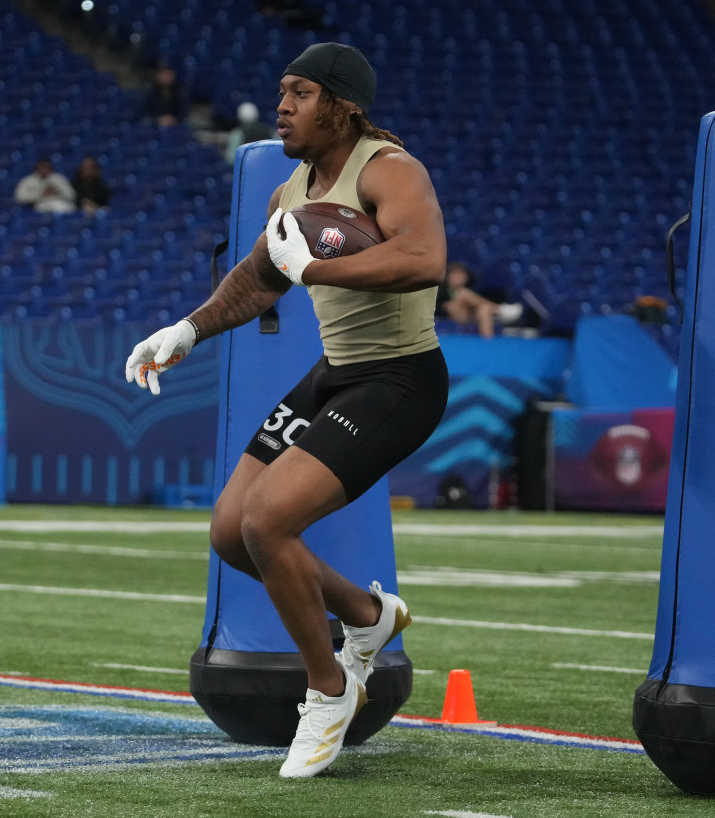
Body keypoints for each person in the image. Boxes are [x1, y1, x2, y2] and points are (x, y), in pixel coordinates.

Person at [125, 42, 448, 778]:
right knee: (231, 532)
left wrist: (320, 269)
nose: (283, 106)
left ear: (342, 106)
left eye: (300, 93)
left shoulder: (391, 169)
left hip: (400, 380)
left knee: (268, 519)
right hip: (335, 375)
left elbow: (424, 259)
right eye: (282, 92)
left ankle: (331, 690)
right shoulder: (288, 193)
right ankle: (369, 618)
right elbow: (260, 279)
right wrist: (187, 330)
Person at [435, 260, 522, 338]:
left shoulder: (472, 289)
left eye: (462, 274)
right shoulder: (441, 289)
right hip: (448, 317)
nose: (459, 277)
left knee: (484, 309)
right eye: (455, 273)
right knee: (462, 295)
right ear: (447, 276)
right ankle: (500, 309)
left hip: (468, 316)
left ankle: (488, 344)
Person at [142, 63, 187, 128]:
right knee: (146, 122)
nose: (166, 78)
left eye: (169, 75)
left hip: (174, 120)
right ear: (158, 76)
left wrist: (173, 119)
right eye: (164, 75)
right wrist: (158, 119)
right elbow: (145, 110)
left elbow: (183, 110)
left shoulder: (180, 91)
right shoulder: (149, 91)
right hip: (155, 120)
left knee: (186, 125)